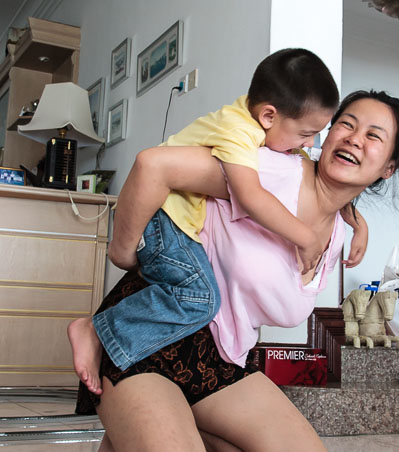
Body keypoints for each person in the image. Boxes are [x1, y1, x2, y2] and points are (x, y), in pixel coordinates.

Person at [76, 90, 399, 452]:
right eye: (346, 123)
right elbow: (153, 166)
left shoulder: (340, 235)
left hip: (223, 357)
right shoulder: (268, 171)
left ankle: (166, 424)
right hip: (148, 334)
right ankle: (127, 423)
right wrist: (123, 255)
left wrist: (354, 218)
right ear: (325, 133)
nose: (353, 138)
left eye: (373, 135)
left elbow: (327, 208)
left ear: (388, 168)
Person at [68, 49, 368, 394]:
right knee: (199, 298)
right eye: (305, 134)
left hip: (176, 222)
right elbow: (250, 196)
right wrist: (305, 236)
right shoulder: (238, 133)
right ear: (268, 116)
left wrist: (358, 223)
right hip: (166, 221)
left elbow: (328, 183)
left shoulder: (260, 126)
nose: (309, 144)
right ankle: (97, 331)